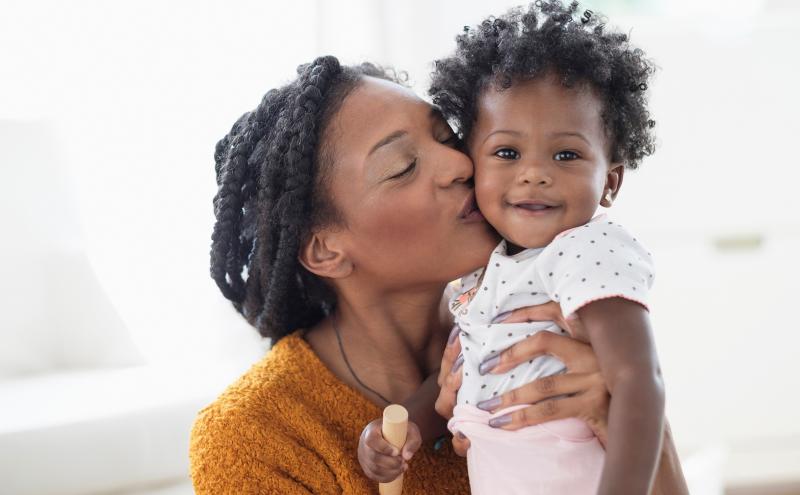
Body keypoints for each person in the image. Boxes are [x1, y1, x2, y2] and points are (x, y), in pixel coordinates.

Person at [190, 52, 688, 493]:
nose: (459, 164)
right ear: (325, 251)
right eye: (404, 166)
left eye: (449, 136)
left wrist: (622, 419)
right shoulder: (257, 436)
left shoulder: (545, 329)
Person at [433, 2, 661, 493]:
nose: (534, 173)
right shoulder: (482, 268)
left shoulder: (586, 248)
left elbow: (638, 382)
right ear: (472, 164)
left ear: (610, 183)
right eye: (507, 152)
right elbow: (453, 374)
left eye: (566, 154)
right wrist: (403, 427)